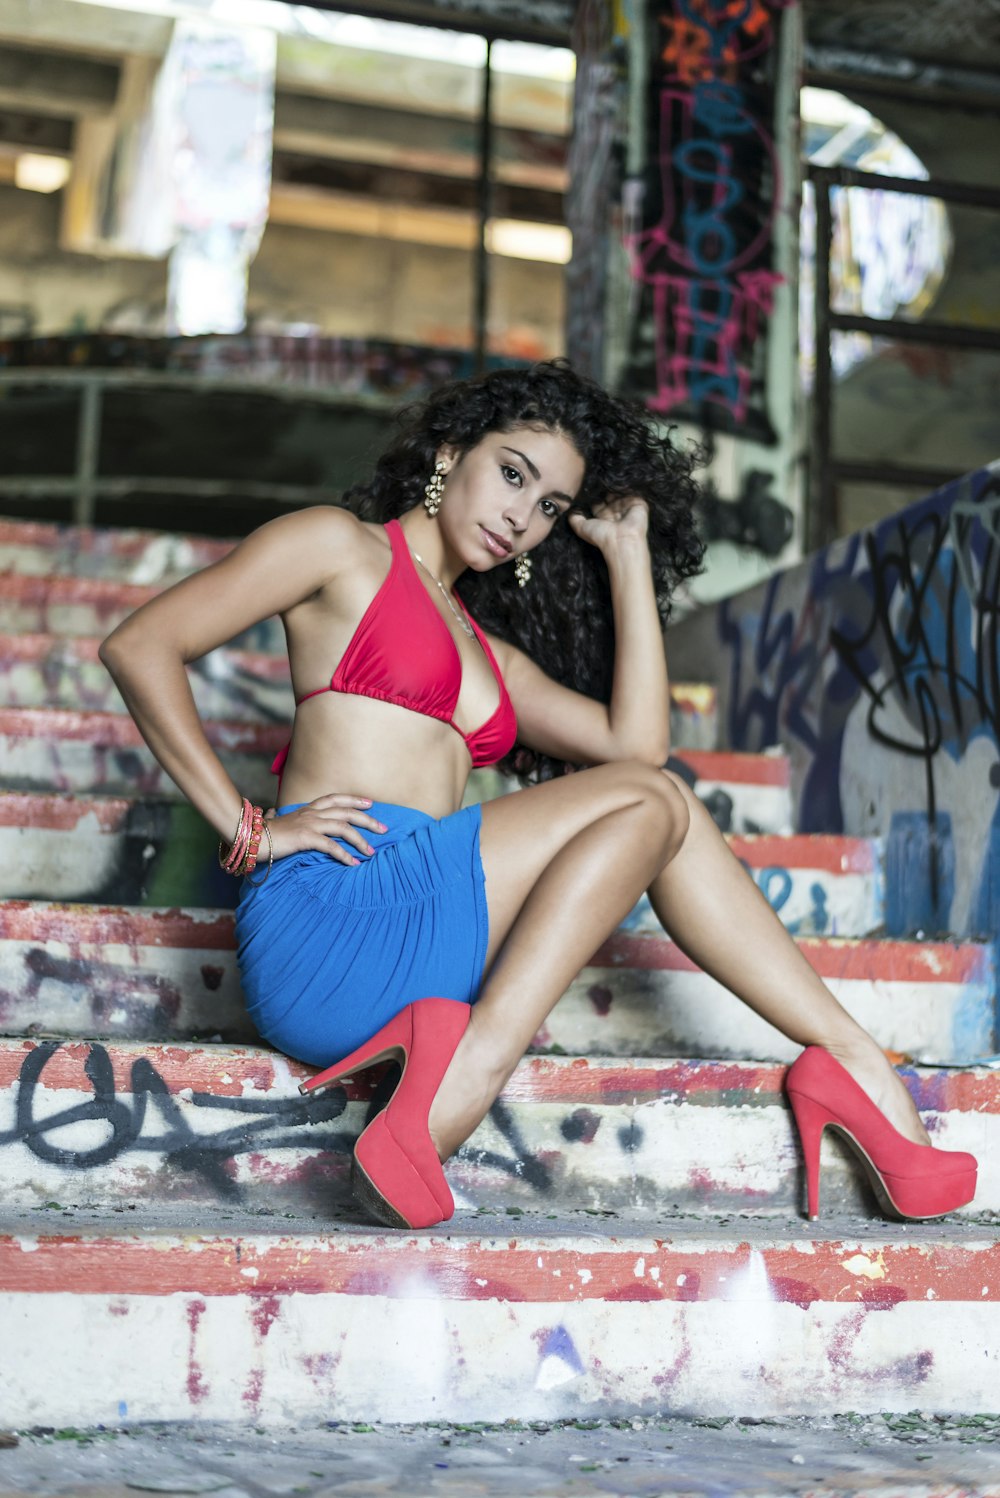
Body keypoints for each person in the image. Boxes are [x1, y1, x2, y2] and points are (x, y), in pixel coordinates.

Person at [100, 359, 977, 1231]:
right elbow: (143, 646)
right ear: (450, 453)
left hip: (433, 945)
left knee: (653, 799)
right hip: (337, 910)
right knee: (648, 801)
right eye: (513, 474)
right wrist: (251, 830)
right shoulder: (339, 547)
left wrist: (628, 554)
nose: (523, 516)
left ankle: (847, 1065)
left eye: (550, 505)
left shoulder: (494, 659)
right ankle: (477, 1078)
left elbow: (640, 746)